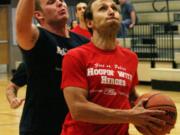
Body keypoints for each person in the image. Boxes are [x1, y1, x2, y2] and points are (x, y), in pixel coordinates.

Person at [61, 0, 166, 135]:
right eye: (103, 9)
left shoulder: (131, 57)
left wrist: (152, 116)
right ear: (90, 23)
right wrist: (130, 116)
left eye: (114, 9)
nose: (111, 11)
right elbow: (78, 109)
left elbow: (129, 96)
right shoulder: (75, 56)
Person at [15, 0, 89, 135]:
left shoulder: (84, 43)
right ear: (39, 15)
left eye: (61, 1)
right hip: (39, 128)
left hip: (75, 128)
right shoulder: (37, 38)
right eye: (51, 2)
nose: (60, 4)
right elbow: (21, 26)